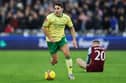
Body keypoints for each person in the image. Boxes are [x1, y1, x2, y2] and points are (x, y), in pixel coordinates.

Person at [42, 2, 78, 80]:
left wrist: (74, 40)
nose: (56, 10)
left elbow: (71, 28)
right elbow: (44, 28)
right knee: (55, 61)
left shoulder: (66, 18)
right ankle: (52, 62)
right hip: (51, 41)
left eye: (58, 8)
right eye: (55, 8)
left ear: (62, 9)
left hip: (61, 39)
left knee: (67, 54)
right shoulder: (49, 17)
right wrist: (50, 37)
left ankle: (70, 73)